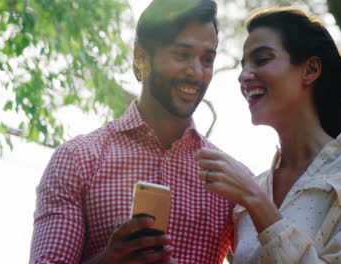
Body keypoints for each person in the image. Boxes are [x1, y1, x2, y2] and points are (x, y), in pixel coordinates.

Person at [29, 0, 238, 263]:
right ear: (141, 58)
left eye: (206, 59)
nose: (196, 72)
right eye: (181, 55)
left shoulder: (229, 180)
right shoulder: (77, 160)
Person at [195, 7, 341, 263]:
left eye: (262, 59)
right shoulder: (250, 194)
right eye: (244, 64)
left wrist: (258, 205)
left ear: (310, 69)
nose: (243, 76)